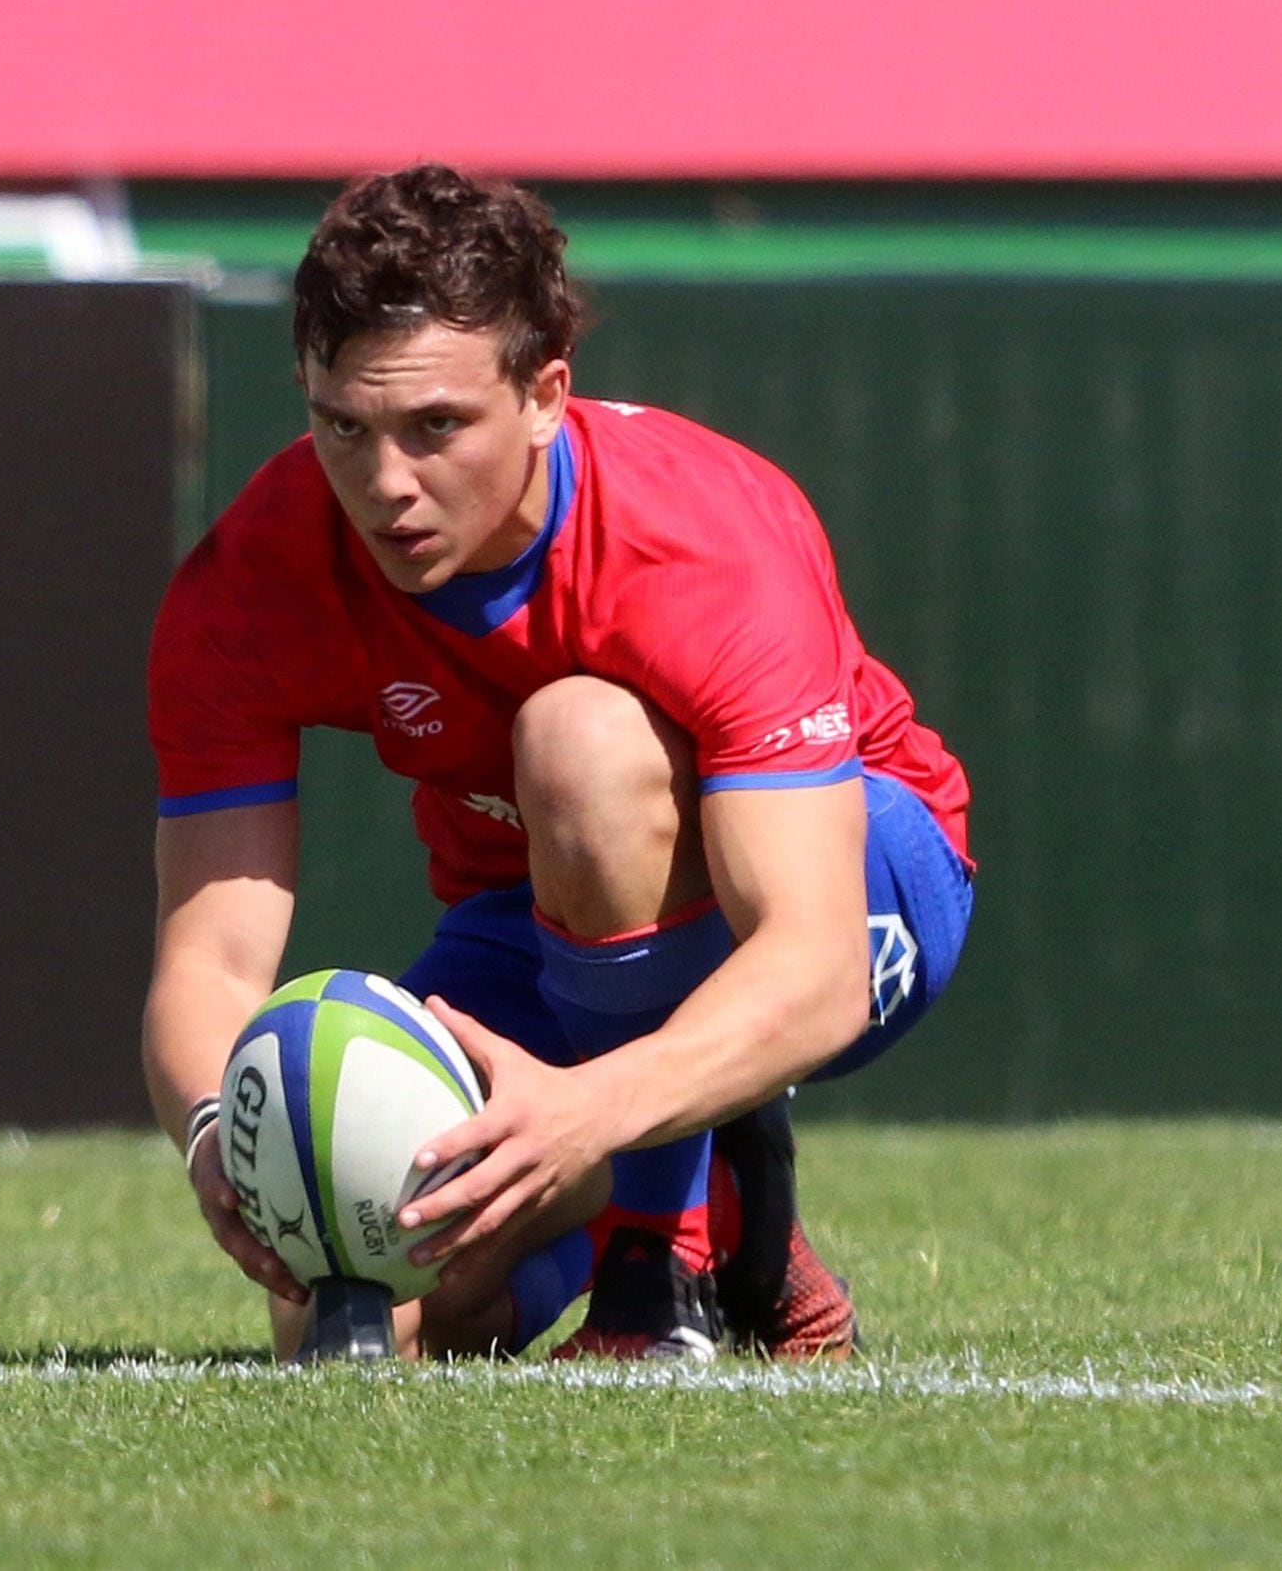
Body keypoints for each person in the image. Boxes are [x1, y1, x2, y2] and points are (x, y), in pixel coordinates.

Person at [142, 165, 975, 1362]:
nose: (384, 484)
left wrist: (588, 1113)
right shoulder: (249, 584)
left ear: (545, 395)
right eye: (343, 425)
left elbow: (817, 962)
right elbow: (207, 962)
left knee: (578, 737)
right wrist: (221, 1133)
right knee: (364, 1299)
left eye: (436, 426)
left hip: (864, 877)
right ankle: (731, 1209)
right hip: (533, 922)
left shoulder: (700, 534)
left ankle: (662, 1252)